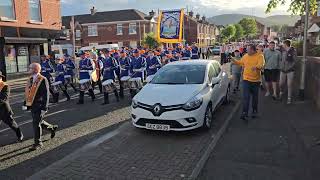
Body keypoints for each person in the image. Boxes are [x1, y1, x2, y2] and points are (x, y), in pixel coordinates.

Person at [24, 63, 58, 151]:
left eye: (30, 68)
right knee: (39, 121)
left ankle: (38, 143)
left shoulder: (43, 79)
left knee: (36, 123)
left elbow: (46, 94)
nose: (29, 69)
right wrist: (25, 103)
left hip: (39, 105)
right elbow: (29, 92)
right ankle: (52, 128)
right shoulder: (31, 79)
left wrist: (45, 107)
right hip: (32, 104)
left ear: (35, 69)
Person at [231, 44, 265, 121]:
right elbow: (240, 63)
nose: (246, 51)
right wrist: (233, 60)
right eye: (247, 49)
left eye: (248, 49)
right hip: (246, 79)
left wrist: (256, 67)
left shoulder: (260, 56)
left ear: (253, 50)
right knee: (246, 97)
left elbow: (261, 65)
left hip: (256, 81)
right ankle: (244, 113)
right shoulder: (246, 56)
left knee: (255, 98)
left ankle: (254, 111)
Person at [0, 71, 24, 142]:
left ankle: (20, 135)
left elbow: (4, 98)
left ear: (1, 78)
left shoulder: (5, 86)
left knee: (12, 124)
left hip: (4, 109)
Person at [279, 40, 297, 105]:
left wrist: (289, 67)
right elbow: (280, 59)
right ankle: (281, 92)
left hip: (290, 70)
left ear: (286, 44)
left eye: (283, 44)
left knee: (289, 84)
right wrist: (281, 66)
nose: (282, 45)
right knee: (281, 83)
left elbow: (295, 61)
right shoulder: (282, 51)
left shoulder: (293, 51)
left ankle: (289, 98)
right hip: (283, 70)